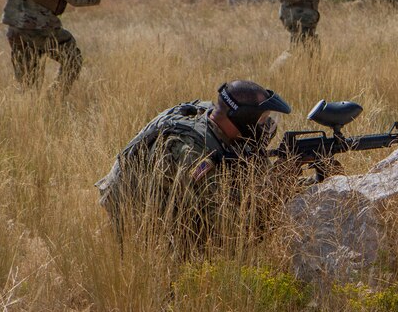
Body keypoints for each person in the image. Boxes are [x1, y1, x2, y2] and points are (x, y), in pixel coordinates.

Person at [95, 80, 293, 248]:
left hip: (167, 196)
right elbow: (231, 231)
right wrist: (281, 182)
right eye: (263, 119)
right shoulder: (193, 153)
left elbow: (256, 177)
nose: (267, 127)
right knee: (198, 247)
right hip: (133, 212)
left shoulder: (224, 125)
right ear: (243, 119)